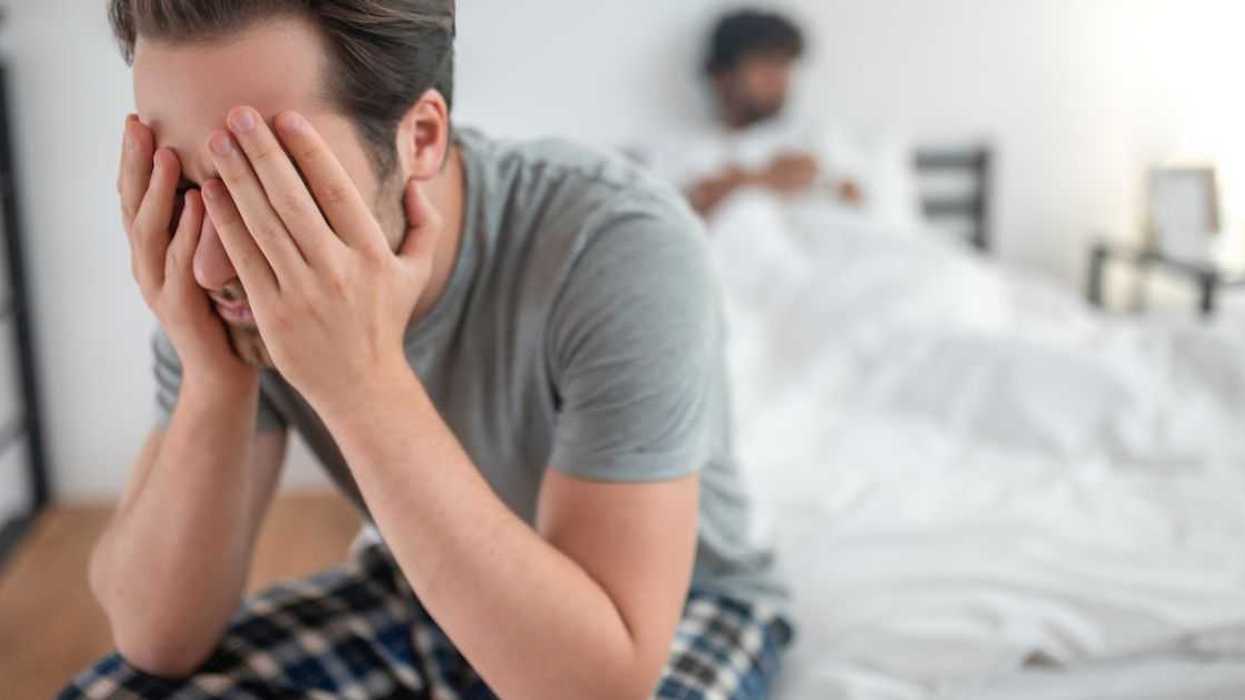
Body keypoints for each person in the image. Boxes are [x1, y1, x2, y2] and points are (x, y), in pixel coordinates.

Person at [62, 1, 789, 698]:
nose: (213, 266)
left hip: (672, 609)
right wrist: (213, 373)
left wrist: (362, 380)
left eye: (273, 189)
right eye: (183, 185)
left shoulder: (618, 243)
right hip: (425, 582)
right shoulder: (210, 276)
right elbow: (156, 640)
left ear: (420, 139)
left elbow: (596, 683)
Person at [663, 9, 863, 217]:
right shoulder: (682, 153)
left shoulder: (818, 139)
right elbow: (682, 212)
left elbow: (856, 200)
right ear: (722, 75)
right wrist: (768, 179)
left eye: (784, 65)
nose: (778, 79)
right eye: (765, 65)